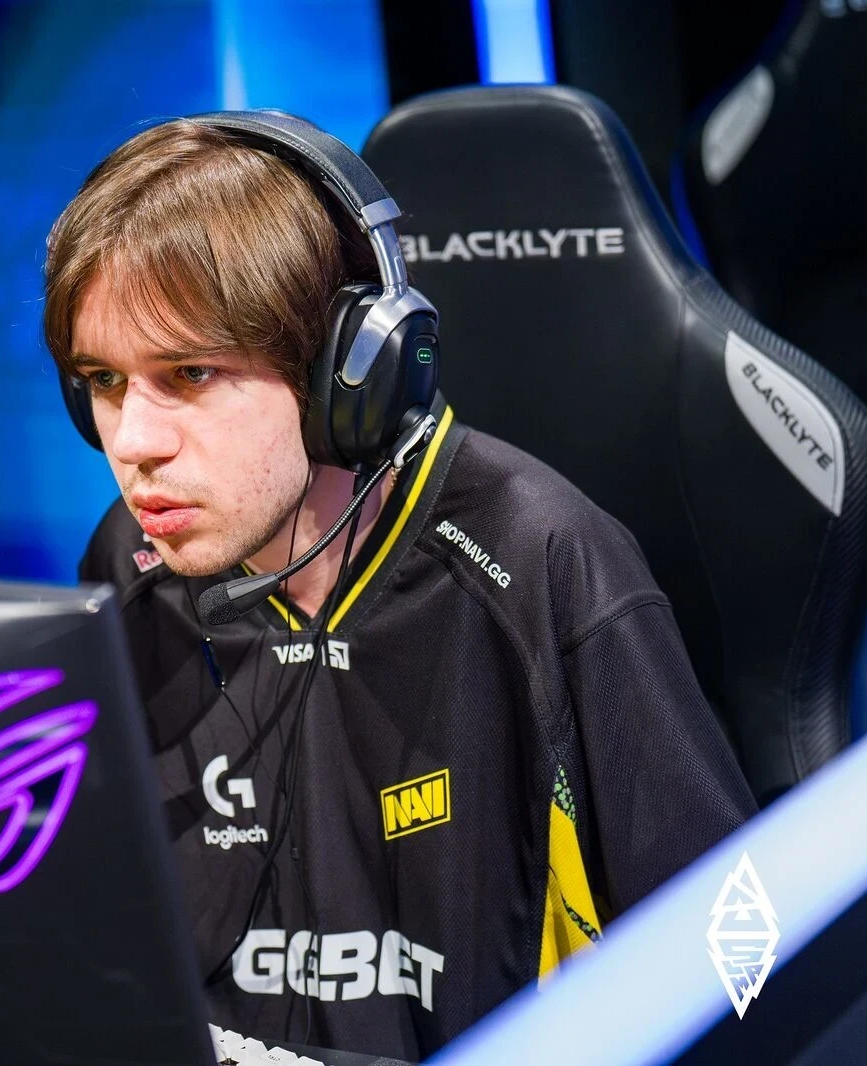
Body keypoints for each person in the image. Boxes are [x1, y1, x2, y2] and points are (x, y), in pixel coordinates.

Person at [41, 113, 757, 1060]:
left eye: (191, 372)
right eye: (103, 380)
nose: (133, 442)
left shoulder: (541, 563)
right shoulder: (130, 564)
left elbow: (740, 971)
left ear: (347, 373)